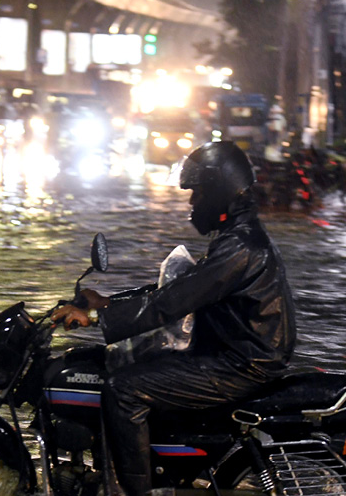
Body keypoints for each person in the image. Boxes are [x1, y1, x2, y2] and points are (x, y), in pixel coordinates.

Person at [51, 141, 297, 496]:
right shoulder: (238, 238)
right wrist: (106, 303)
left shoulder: (240, 247)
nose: (191, 203)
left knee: (123, 390)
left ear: (217, 191)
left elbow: (170, 304)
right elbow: (179, 289)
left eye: (196, 193)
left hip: (241, 364)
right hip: (236, 354)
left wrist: (95, 319)